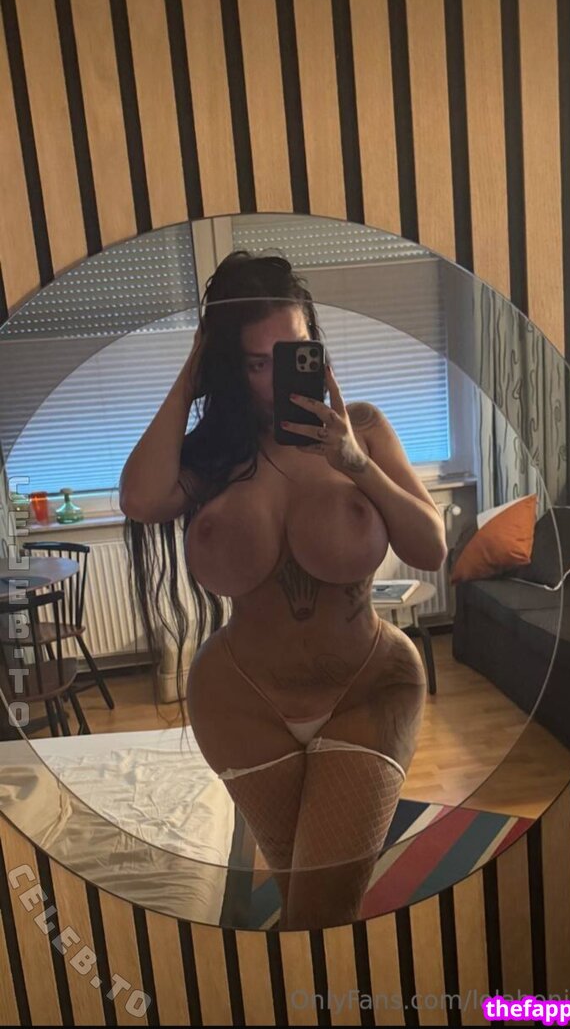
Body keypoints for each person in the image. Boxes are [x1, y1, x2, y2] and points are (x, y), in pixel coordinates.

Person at [120, 251, 447, 929]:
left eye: (290, 352)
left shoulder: (364, 428)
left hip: (370, 689)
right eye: (254, 363)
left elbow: (430, 547)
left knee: (321, 908)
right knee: (301, 886)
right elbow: (141, 499)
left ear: (313, 345)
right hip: (241, 706)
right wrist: (191, 369)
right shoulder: (214, 456)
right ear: (227, 366)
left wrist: (356, 465)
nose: (275, 379)